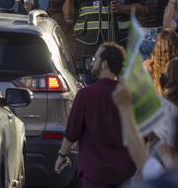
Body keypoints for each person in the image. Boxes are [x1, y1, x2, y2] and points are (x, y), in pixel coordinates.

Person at [55, 43, 136, 188]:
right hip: (124, 173)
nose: (92, 62)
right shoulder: (129, 96)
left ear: (104, 64)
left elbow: (73, 131)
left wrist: (62, 155)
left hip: (95, 173)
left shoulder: (86, 95)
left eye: (96, 58)